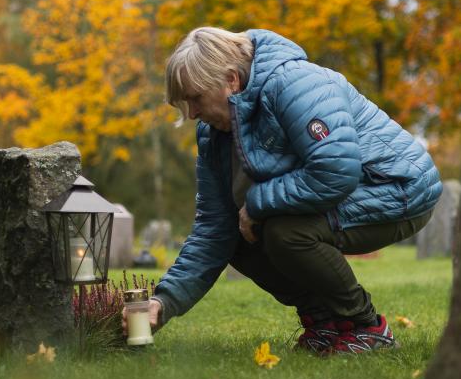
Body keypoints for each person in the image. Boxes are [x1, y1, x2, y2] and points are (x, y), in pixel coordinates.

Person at [136, 26, 442, 355]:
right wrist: (163, 301)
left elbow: (335, 170)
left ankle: (364, 326)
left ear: (230, 80)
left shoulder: (295, 83)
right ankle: (324, 322)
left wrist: (256, 205)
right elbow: (214, 225)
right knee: (238, 238)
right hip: (347, 194)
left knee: (286, 231)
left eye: (195, 98)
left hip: (397, 187)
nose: (192, 113)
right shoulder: (213, 133)